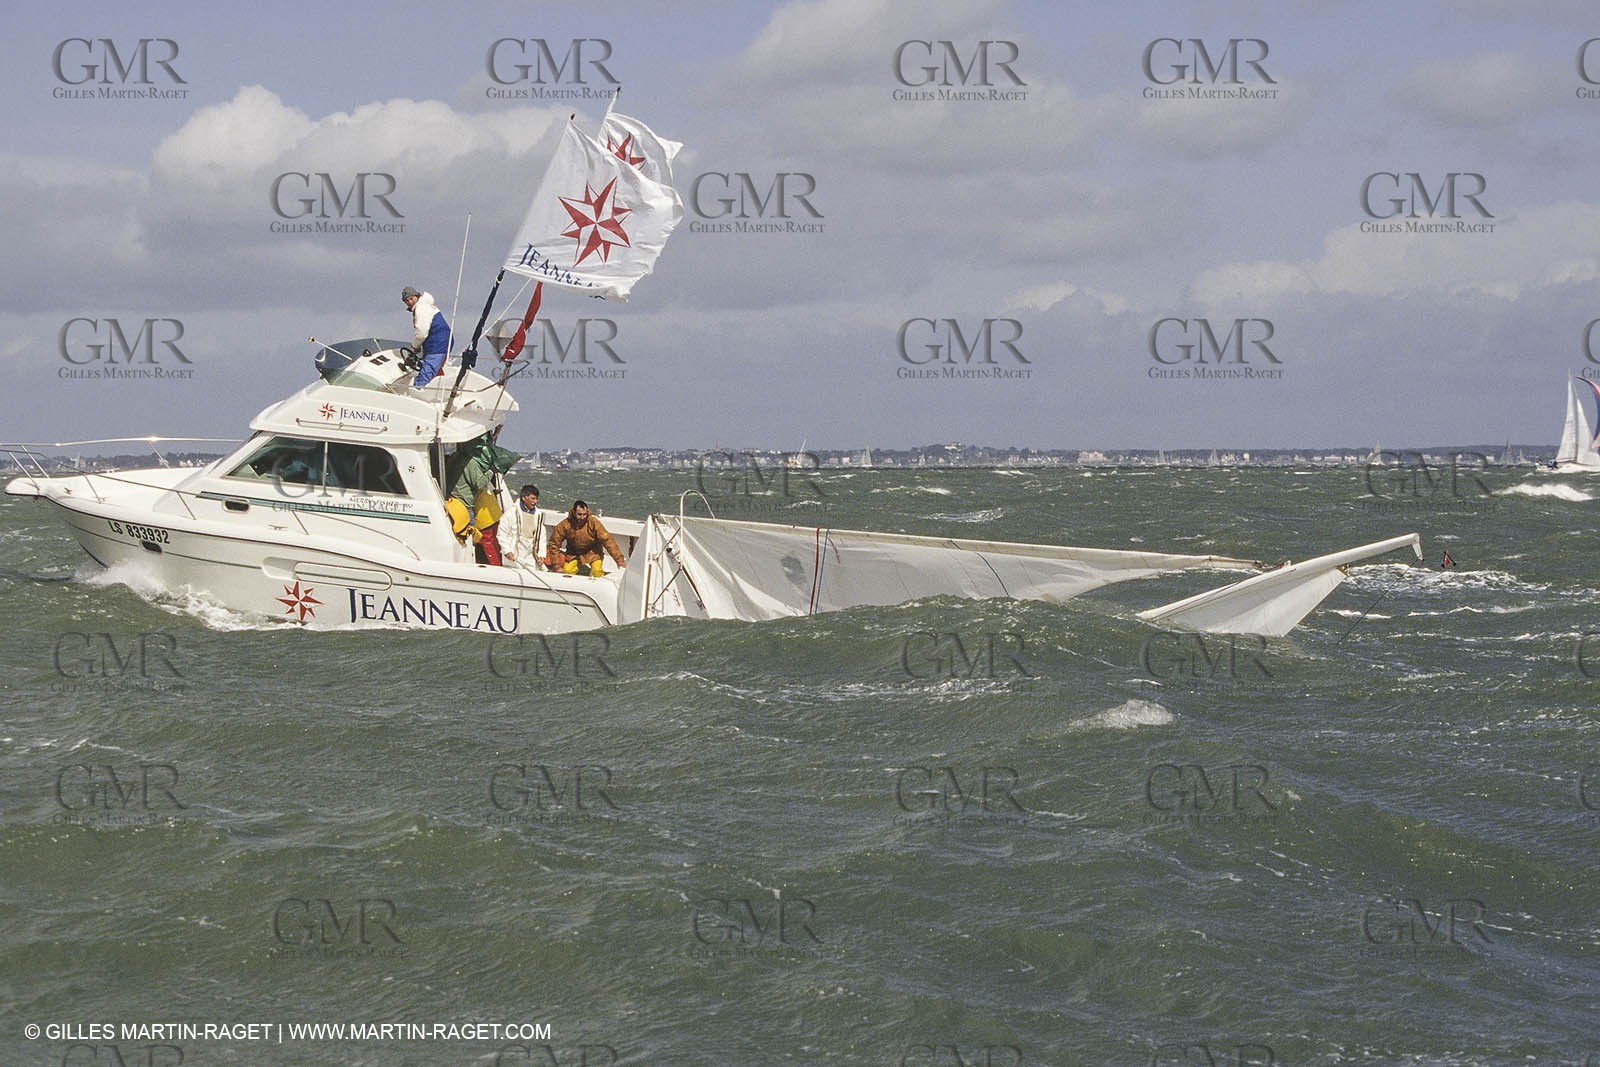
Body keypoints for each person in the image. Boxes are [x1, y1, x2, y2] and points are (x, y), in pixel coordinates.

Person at [445, 433, 510, 565]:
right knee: (471, 539)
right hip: (464, 505)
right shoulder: (470, 462)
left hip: (454, 500)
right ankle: (472, 565)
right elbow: (479, 483)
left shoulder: (455, 457)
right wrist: (492, 470)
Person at [546, 500, 626, 576]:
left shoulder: (593, 522)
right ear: (573, 512)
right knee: (567, 572)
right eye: (579, 514)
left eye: (584, 514)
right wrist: (556, 566)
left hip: (593, 553)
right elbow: (554, 544)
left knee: (597, 571)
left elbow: (608, 541)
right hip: (573, 554)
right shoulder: (565, 524)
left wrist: (619, 560)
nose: (582, 517)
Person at [402, 285, 451, 386]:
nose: (410, 302)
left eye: (411, 298)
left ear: (417, 296)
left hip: (438, 343)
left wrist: (415, 347)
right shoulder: (426, 305)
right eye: (407, 300)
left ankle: (418, 388)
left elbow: (421, 332)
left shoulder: (421, 307)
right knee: (436, 369)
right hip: (441, 341)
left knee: (428, 370)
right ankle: (438, 387)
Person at [501, 484, 546, 569]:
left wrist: (541, 554)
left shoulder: (538, 515)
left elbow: (542, 537)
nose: (535, 501)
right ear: (524, 498)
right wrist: (506, 551)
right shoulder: (511, 512)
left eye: (536, 499)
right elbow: (501, 533)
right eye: (533, 498)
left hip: (530, 555)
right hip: (514, 554)